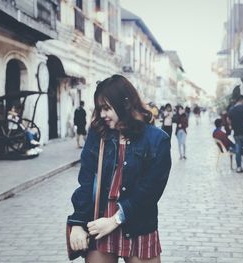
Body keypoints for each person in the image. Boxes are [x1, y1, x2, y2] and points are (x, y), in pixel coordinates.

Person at [67, 75, 172, 263]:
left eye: (107, 108)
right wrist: (77, 222)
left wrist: (115, 220)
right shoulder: (98, 134)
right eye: (100, 109)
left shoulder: (157, 140)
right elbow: (86, 181)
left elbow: (150, 191)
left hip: (138, 221)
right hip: (99, 221)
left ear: (125, 104)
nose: (102, 115)